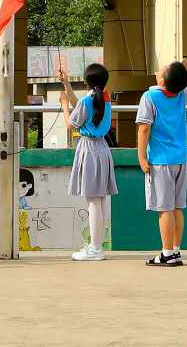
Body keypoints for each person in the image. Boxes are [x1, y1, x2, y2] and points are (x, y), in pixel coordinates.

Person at [136, 59, 187, 267]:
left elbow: (144, 128)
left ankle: (166, 254)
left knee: (164, 209)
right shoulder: (182, 95)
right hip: (180, 159)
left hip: (160, 161)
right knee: (177, 208)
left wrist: (141, 157)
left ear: (162, 79)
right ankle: (175, 250)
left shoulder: (150, 97)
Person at [58, 62, 117, 261]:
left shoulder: (89, 100)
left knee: (93, 201)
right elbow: (82, 108)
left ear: (86, 81)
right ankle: (97, 246)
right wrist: (67, 85)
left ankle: (95, 248)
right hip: (102, 148)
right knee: (99, 201)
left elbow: (70, 123)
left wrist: (64, 105)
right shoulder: (104, 97)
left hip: (89, 150)